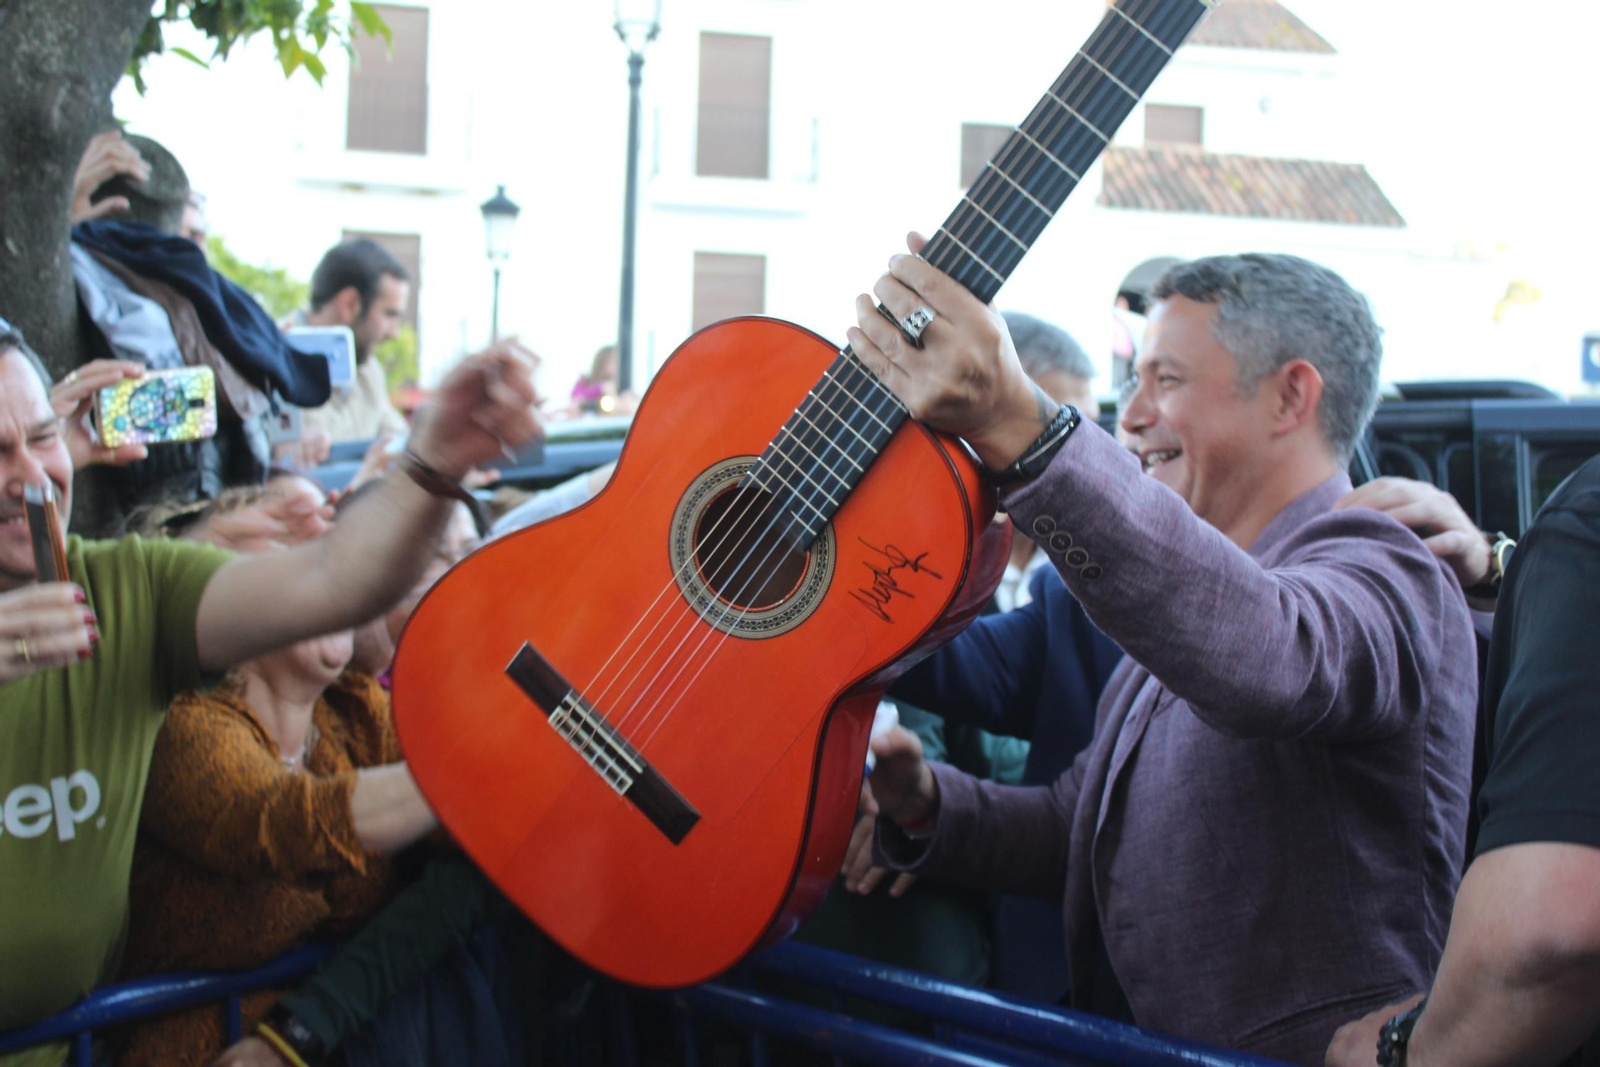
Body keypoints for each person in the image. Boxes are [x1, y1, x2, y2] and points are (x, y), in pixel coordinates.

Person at [848, 248, 1477, 1065]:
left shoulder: (1389, 562)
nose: (1131, 413)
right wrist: (930, 804)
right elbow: (1086, 824)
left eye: (1166, 380)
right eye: (1135, 379)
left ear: (1292, 394)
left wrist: (1024, 427)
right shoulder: (1201, 592)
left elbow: (1275, 657)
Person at [0, 324, 538, 1067]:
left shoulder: (126, 590)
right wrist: (480, 778)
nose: (28, 475)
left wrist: (435, 459)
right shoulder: (202, 720)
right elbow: (274, 820)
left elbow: (339, 579)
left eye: (39, 437)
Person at [115, 486, 434, 1066]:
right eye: (298, 555)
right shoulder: (180, 717)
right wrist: (469, 776)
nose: (330, 577)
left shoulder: (353, 708)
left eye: (333, 553)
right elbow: (285, 822)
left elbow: (465, 843)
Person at [1325, 456, 1600, 1067]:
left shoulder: (1586, 520)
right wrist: (1509, 570)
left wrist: (1405, 1052)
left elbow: (1549, 934)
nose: (1133, 414)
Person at [287, 238, 412, 460]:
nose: (394, 333)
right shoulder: (271, 361)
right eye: (389, 314)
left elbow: (403, 442)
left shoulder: (369, 371)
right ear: (350, 304)